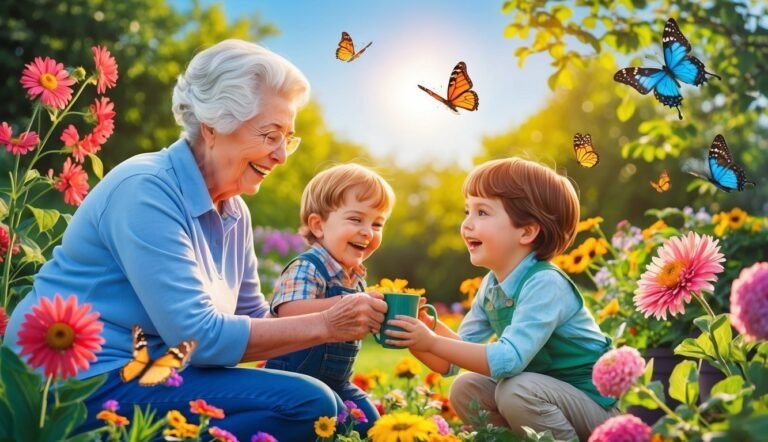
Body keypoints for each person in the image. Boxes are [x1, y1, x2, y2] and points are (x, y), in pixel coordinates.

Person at [4, 39, 387, 441]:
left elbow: (256, 319)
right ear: (213, 126)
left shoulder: (234, 210)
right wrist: (327, 324)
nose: (282, 155)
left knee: (340, 409)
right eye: (271, 135)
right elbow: (197, 339)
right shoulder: (147, 189)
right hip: (77, 386)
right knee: (309, 406)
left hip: (159, 376)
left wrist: (346, 313)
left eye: (287, 138)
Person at [385, 158, 619, 440]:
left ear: (527, 231)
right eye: (467, 211)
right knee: (465, 388)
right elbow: (452, 361)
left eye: (482, 212)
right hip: (543, 398)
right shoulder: (491, 286)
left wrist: (432, 340)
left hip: (597, 411)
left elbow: (508, 361)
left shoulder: (545, 283)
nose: (467, 224)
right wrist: (419, 332)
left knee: (514, 389)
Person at [265, 163, 395, 435]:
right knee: (319, 419)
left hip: (337, 381)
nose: (368, 232)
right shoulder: (308, 267)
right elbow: (289, 311)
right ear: (318, 225)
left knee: (372, 427)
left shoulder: (355, 278)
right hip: (291, 378)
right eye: (356, 219)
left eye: (377, 223)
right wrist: (351, 306)